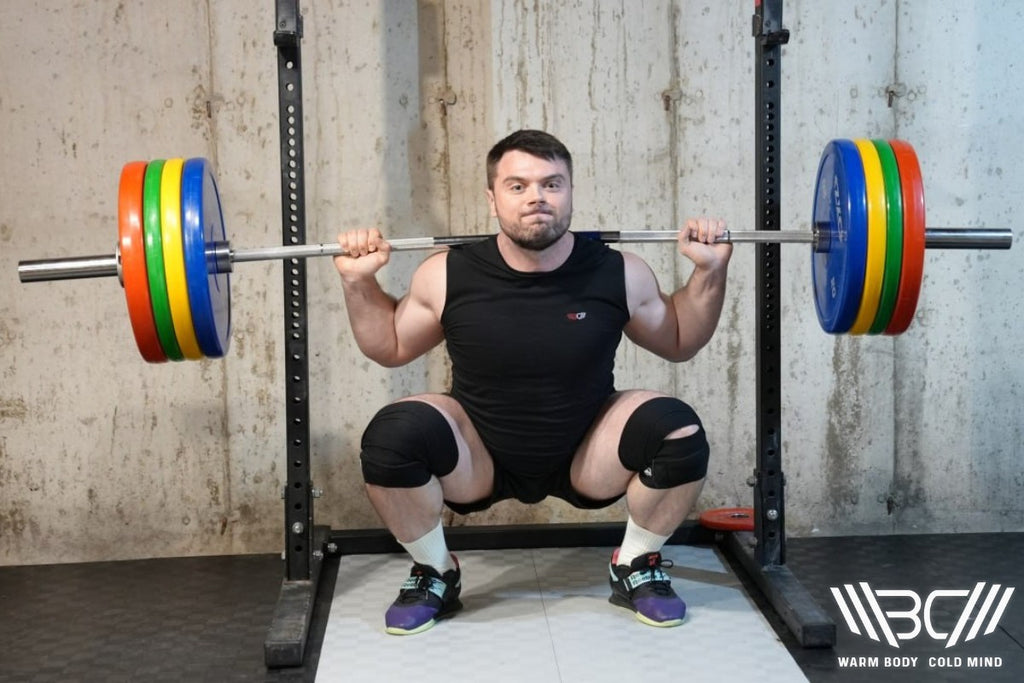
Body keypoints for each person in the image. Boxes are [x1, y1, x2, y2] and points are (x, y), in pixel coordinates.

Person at [333, 129, 732, 636]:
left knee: (678, 429)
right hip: (475, 455)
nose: (536, 198)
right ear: (492, 198)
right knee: (390, 437)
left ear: (570, 192)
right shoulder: (447, 273)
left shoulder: (618, 272)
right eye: (517, 186)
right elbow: (388, 346)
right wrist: (358, 281)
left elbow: (679, 339)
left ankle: (634, 564)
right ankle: (435, 571)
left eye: (552, 184)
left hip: (590, 451)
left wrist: (709, 273)